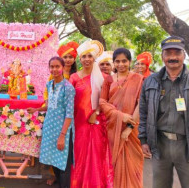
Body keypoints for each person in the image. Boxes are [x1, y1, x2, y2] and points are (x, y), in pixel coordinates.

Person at [139, 36, 189, 188]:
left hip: (186, 146)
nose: (172, 57)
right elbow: (143, 112)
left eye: (177, 52)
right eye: (168, 53)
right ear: (162, 56)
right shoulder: (151, 81)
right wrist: (143, 139)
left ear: (184, 55)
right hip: (160, 145)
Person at [70, 40, 113, 188]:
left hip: (96, 121)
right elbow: (69, 101)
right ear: (80, 59)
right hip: (78, 121)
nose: (87, 59)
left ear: (94, 58)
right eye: (84, 56)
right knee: (79, 154)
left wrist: (97, 111)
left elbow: (107, 99)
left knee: (96, 155)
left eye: (90, 56)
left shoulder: (103, 77)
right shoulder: (74, 77)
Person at [99, 48, 144, 188]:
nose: (121, 64)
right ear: (113, 63)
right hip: (112, 128)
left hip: (131, 130)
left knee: (133, 164)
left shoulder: (138, 79)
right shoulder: (109, 79)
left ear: (130, 61)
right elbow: (102, 102)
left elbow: (140, 104)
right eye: (117, 61)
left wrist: (129, 129)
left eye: (124, 61)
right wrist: (120, 115)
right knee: (114, 164)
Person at [38, 56, 75, 188]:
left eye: (57, 66)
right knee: (54, 161)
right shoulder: (49, 84)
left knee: (63, 163)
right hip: (50, 128)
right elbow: (50, 105)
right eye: (52, 67)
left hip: (62, 130)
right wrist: (37, 109)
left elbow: (69, 114)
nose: (54, 69)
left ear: (63, 68)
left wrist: (62, 136)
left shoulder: (68, 88)